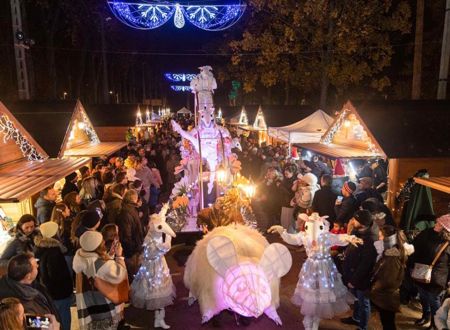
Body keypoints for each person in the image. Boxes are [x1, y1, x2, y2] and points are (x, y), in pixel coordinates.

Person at [73, 231, 127, 330]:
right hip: (103, 306)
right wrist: (119, 257)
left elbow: (99, 272)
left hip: (90, 305)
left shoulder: (81, 258)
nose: (103, 243)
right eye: (101, 242)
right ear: (97, 246)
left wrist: (109, 256)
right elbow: (120, 275)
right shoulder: (100, 264)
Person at [411, 214, 450, 329]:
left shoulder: (447, 243)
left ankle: (435, 324)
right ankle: (425, 316)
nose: (436, 224)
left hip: (436, 280)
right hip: (421, 273)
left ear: (445, 228)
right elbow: (416, 247)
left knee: (434, 302)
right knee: (423, 297)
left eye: (439, 223)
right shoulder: (428, 233)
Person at [341, 210, 378, 330]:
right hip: (353, 273)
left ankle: (363, 327)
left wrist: (354, 280)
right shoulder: (359, 231)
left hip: (362, 278)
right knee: (356, 299)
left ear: (362, 223)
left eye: (355, 220)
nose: (353, 221)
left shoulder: (370, 240)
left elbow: (366, 264)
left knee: (363, 303)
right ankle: (356, 318)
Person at [0, 253, 60, 323]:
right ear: (28, 276)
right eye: (35, 266)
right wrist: (53, 325)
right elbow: (38, 324)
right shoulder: (20, 306)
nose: (38, 265)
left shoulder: (29, 283)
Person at [34, 222, 73, 330]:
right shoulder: (54, 251)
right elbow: (55, 275)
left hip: (49, 293)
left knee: (54, 318)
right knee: (63, 319)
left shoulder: (40, 247)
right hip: (59, 293)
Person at [370, 225, 408, 330]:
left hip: (386, 296)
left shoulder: (392, 255)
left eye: (381, 236)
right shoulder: (391, 251)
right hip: (386, 295)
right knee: (387, 321)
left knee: (388, 323)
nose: (379, 238)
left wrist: (375, 287)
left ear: (388, 238)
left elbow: (389, 280)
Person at [117, 189, 144, 279]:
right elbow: (126, 235)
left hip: (135, 247)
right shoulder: (126, 213)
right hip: (131, 251)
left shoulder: (130, 208)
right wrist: (133, 249)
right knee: (133, 271)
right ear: (133, 198)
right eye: (136, 198)